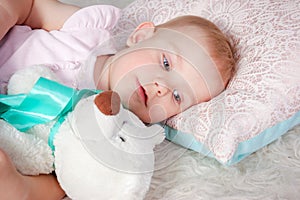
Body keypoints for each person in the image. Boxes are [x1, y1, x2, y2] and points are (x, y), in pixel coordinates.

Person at [0, 0, 236, 199]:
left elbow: (65, 179)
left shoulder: (109, 137)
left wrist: (20, 187)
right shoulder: (88, 34)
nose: (162, 88)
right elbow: (30, 6)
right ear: (140, 36)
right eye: (166, 63)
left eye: (177, 96)